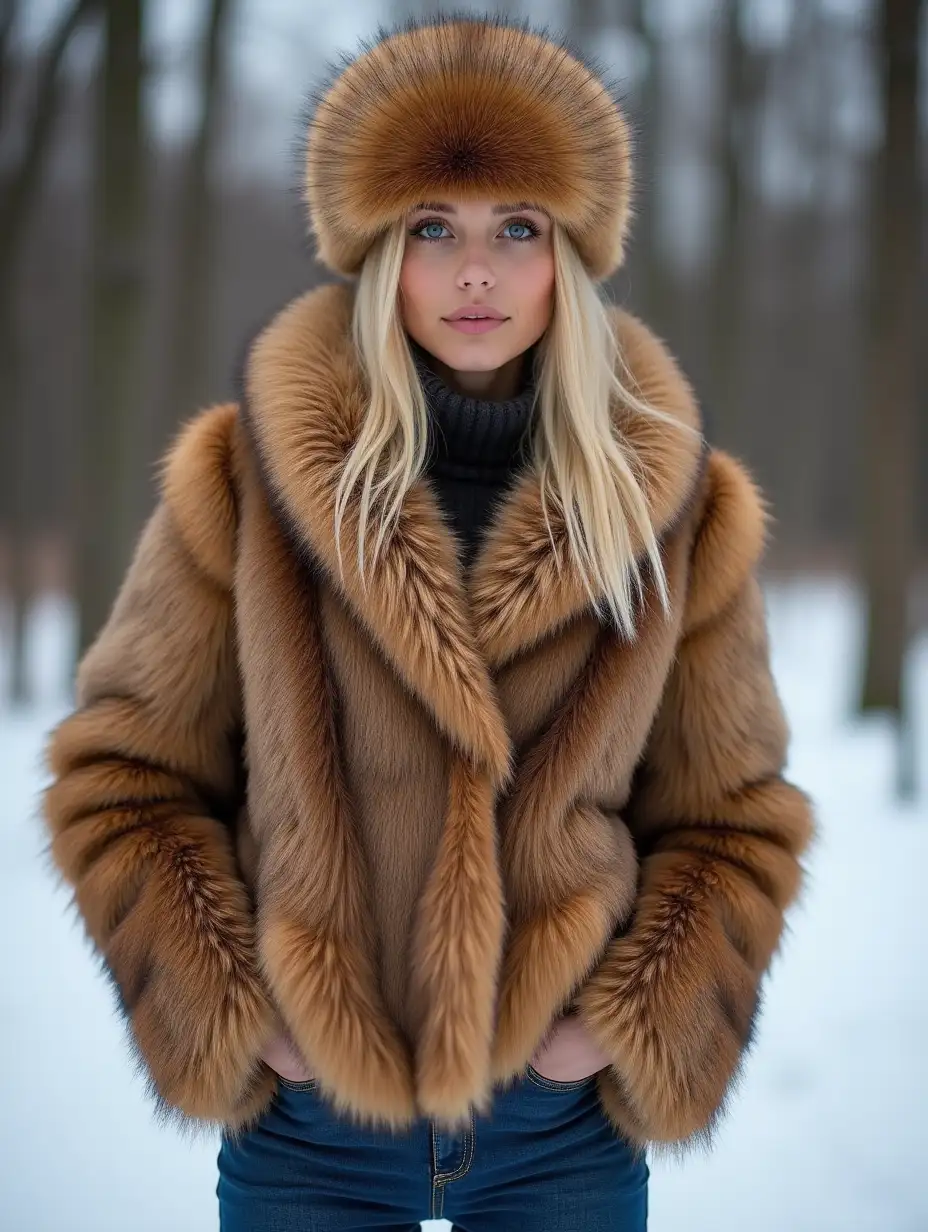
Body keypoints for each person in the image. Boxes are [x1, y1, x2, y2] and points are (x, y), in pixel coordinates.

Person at [40, 12, 815, 1231]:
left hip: (554, 1131)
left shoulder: (674, 506)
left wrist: (611, 1030)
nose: (475, 272)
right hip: (313, 1130)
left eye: (518, 229)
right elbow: (122, 775)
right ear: (372, 254)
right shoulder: (247, 482)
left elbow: (732, 817)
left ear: (571, 254)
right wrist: (246, 1013)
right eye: (430, 230)